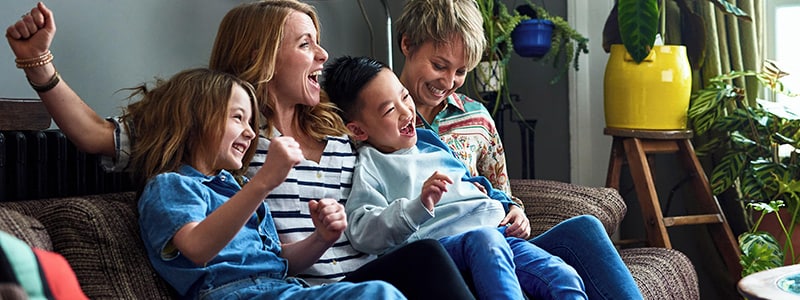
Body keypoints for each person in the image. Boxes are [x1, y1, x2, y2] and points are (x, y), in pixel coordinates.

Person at [5, 2, 475, 299]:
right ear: (265, 53)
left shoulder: (339, 122)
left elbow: (414, 148)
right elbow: (92, 135)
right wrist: (38, 63)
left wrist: (492, 197)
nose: (323, 56)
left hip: (372, 266)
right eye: (307, 43)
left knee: (443, 255)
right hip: (309, 285)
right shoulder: (223, 137)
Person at [394, 0, 645, 299]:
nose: (448, 82)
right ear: (407, 44)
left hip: (499, 241)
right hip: (443, 251)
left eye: (461, 71)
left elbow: (501, 193)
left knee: (584, 229)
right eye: (439, 66)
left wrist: (516, 211)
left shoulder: (476, 117)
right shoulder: (375, 117)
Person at [125, 68, 405, 299]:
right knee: (376, 295)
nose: (250, 132)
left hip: (279, 288)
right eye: (238, 118)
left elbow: (280, 260)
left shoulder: (233, 188)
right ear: (193, 120)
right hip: (233, 294)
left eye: (251, 121)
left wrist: (321, 238)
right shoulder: (171, 185)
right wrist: (263, 183)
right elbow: (197, 248)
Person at [324, 55, 587, 300]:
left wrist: (509, 206)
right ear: (358, 130)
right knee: (488, 242)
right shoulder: (371, 165)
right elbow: (362, 230)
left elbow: (474, 186)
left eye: (405, 97)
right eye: (389, 110)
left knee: (563, 276)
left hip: (499, 235)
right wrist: (419, 205)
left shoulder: (431, 144)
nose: (406, 112)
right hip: (452, 245)